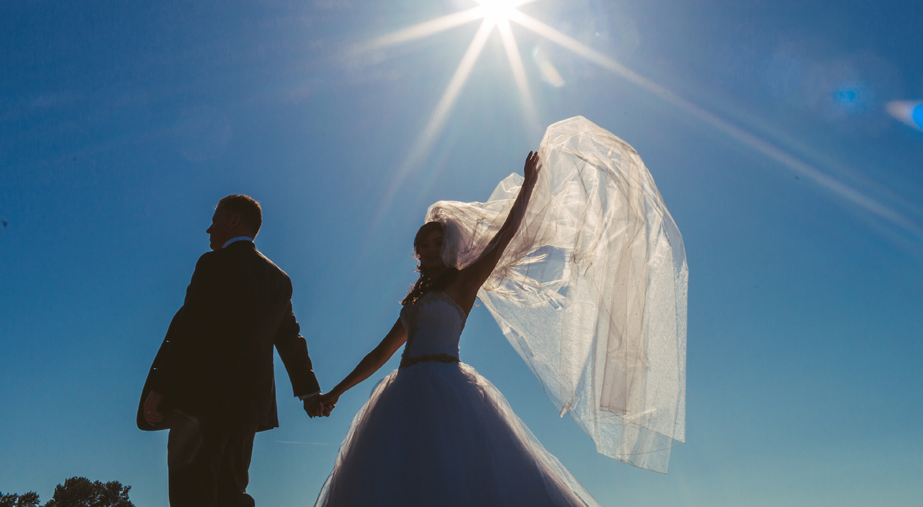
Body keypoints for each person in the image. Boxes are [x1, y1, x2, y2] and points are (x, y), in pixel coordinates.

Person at [311, 151, 599, 506]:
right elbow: (380, 354)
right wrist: (336, 391)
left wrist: (529, 186)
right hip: (402, 392)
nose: (431, 250)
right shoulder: (413, 303)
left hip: (447, 389)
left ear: (449, 247)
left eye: (438, 243)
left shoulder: (463, 283)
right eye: (424, 245)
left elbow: (506, 234)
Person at [138, 194, 324, 507]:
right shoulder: (279, 279)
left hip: (198, 404)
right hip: (248, 409)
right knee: (230, 493)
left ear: (234, 220)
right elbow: (291, 338)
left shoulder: (213, 264)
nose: (209, 230)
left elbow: (190, 331)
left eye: (214, 221)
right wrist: (309, 392)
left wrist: (160, 388)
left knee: (190, 494)